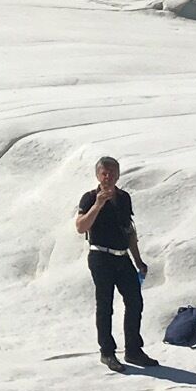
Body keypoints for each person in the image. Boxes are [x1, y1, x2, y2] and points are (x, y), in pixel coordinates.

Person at [75, 157, 155, 371]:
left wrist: (138, 260)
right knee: (105, 305)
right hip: (100, 257)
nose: (108, 177)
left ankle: (133, 351)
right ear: (97, 175)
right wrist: (98, 205)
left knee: (135, 301)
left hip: (122, 257)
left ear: (118, 175)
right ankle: (107, 352)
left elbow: (129, 231)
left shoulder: (124, 198)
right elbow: (81, 227)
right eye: (104, 173)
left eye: (112, 172)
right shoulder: (89, 198)